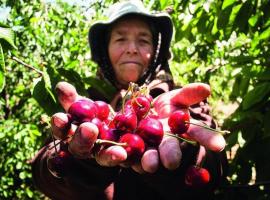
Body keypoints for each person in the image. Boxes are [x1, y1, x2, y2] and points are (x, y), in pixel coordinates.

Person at [31, 1, 228, 200]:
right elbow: (42, 175)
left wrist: (187, 155)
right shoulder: (87, 104)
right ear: (105, 50)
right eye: (120, 39)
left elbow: (217, 169)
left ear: (156, 51)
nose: (132, 48)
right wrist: (83, 159)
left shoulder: (180, 102)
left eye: (143, 40)